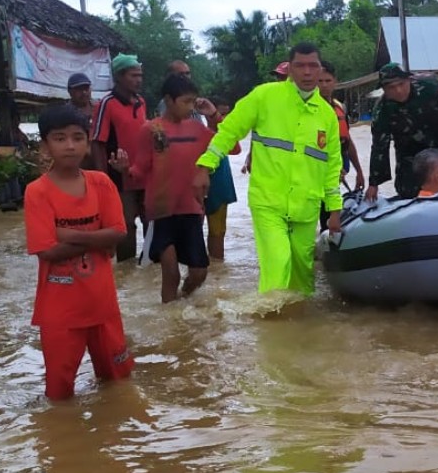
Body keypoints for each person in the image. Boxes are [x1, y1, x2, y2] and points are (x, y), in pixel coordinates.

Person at [192, 42, 343, 295]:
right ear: (290, 69)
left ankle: (294, 329)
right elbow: (229, 132)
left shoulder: (327, 116)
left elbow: (332, 165)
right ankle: (269, 323)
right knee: (278, 263)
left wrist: (335, 209)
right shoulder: (263, 97)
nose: (307, 72)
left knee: (303, 276)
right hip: (268, 202)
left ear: (320, 70)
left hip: (306, 206)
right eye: (300, 66)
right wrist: (205, 166)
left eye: (312, 66)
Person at [23, 104, 134, 400]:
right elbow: (46, 251)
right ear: (45, 146)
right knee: (59, 394)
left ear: (87, 142)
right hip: (60, 313)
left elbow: (120, 233)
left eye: (77, 137)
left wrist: (66, 234)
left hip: (103, 306)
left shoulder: (101, 183)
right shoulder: (37, 191)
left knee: (119, 385)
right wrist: (99, 238)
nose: (69, 145)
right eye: (59, 138)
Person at [114, 73, 218, 303]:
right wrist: (124, 170)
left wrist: (212, 116)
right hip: (161, 211)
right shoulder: (152, 130)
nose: (191, 107)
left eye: (194, 101)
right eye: (186, 101)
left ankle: (182, 303)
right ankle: (170, 327)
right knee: (170, 272)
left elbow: (232, 148)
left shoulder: (197, 129)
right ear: (169, 100)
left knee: (199, 273)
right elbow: (140, 170)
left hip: (191, 210)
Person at [366, 63, 438, 201]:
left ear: (409, 80)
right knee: (408, 190)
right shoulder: (382, 109)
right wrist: (374, 183)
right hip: (409, 151)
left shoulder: (432, 86)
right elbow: (379, 145)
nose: (398, 90)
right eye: (391, 87)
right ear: (384, 89)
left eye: (401, 84)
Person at [91, 53, 149, 262]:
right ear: (119, 77)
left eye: (140, 75)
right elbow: (98, 142)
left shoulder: (141, 102)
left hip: (144, 174)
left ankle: (147, 270)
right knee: (125, 225)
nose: (138, 80)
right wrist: (101, 180)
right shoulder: (106, 104)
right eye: (134, 75)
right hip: (119, 177)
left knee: (151, 221)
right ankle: (126, 268)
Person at [318, 61, 365, 192]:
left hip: (340, 165)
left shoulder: (339, 107)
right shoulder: (309, 110)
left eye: (328, 80)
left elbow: (347, 140)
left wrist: (359, 171)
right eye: (320, 81)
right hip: (319, 171)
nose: (324, 85)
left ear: (335, 82)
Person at [204, 97, 240, 261]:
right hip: (189, 178)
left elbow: (235, 147)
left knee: (217, 232)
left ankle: (217, 275)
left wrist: (214, 117)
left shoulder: (218, 123)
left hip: (218, 178)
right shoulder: (184, 120)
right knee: (189, 233)